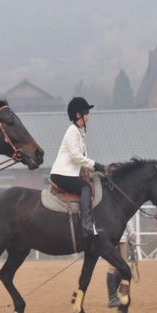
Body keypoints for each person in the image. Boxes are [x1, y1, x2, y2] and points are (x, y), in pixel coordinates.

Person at [50, 97, 105, 246]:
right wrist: (96, 165)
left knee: (89, 183)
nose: (88, 116)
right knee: (85, 187)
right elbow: (76, 156)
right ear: (77, 115)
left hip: (68, 174)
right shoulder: (72, 131)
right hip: (61, 175)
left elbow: (81, 160)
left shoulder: (79, 133)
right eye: (86, 112)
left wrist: (94, 170)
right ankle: (86, 226)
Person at [107, 218, 135, 307]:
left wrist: (131, 232)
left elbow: (127, 216)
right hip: (112, 238)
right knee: (113, 267)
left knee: (123, 268)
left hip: (121, 237)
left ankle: (116, 295)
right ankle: (112, 297)